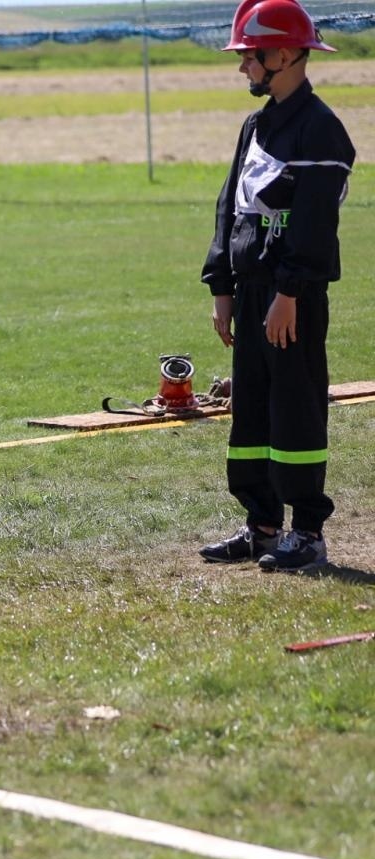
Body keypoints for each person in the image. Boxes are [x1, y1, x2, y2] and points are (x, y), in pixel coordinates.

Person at [199, 0, 354, 574]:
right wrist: (222, 284)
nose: (244, 67)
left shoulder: (321, 130)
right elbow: (231, 209)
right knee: (254, 412)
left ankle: (306, 532)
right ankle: (262, 526)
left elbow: (314, 224)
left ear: (285, 54)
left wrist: (289, 291)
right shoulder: (256, 124)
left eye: (250, 56)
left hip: (295, 297)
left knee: (296, 407)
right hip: (253, 290)